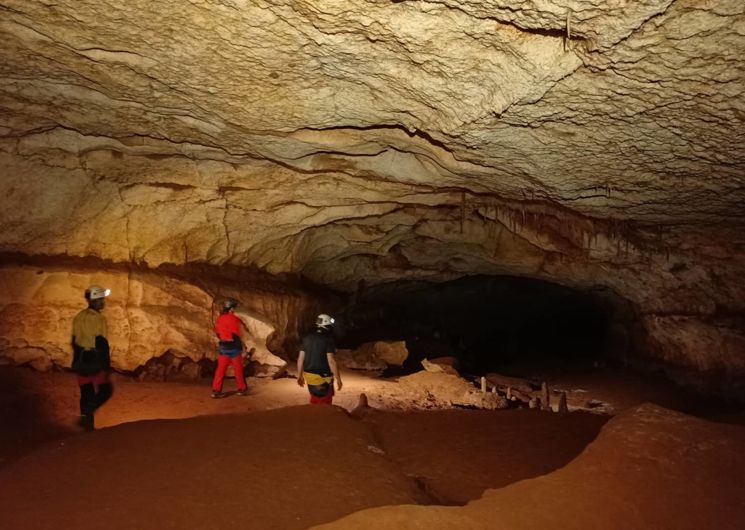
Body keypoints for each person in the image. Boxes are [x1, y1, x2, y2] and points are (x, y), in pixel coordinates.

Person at [71, 285, 114, 431]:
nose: (103, 302)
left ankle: (86, 424)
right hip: (94, 358)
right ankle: (88, 412)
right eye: (101, 299)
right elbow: (101, 342)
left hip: (81, 357)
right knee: (106, 390)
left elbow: (74, 340)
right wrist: (106, 365)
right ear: (94, 300)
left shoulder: (79, 316)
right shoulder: (98, 319)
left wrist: (76, 361)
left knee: (86, 392)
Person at [297, 314, 342, 404]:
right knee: (324, 403)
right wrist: (338, 379)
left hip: (309, 377)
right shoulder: (328, 339)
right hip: (323, 378)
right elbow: (331, 361)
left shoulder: (307, 338)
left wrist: (300, 376)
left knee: (314, 399)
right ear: (327, 326)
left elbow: (300, 359)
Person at [211, 298, 248, 398]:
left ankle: (216, 390)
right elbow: (238, 334)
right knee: (238, 369)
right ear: (231, 309)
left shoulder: (219, 319)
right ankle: (242, 388)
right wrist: (243, 347)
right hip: (234, 348)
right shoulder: (235, 319)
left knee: (220, 370)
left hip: (223, 347)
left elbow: (218, 333)